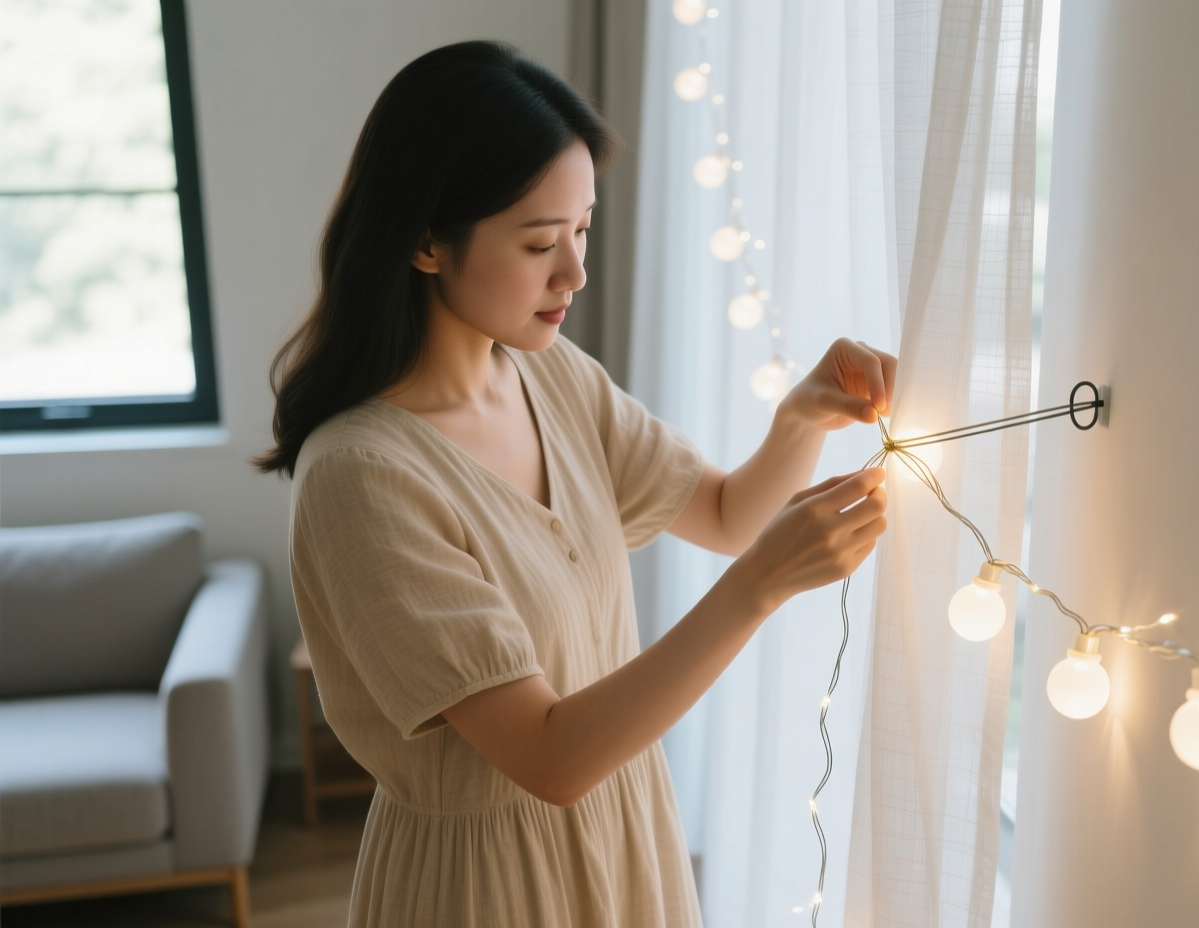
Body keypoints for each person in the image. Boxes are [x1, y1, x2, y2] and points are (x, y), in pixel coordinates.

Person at [256, 41, 892, 928]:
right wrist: (757, 591)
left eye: (584, 229)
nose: (576, 274)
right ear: (427, 242)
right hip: (487, 888)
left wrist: (800, 420)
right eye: (540, 243)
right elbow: (548, 758)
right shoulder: (361, 478)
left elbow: (724, 513)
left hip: (627, 835)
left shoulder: (550, 376)